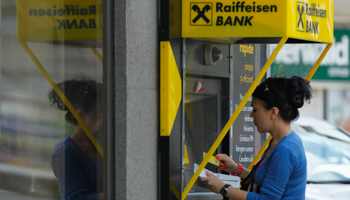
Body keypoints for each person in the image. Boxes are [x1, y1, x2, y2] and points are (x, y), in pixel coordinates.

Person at [200, 76, 312, 200]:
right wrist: (236, 169)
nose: (251, 115)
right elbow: (267, 181)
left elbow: (267, 198)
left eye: (255, 110)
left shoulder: (285, 149)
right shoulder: (281, 141)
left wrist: (223, 188)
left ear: (274, 113)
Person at [49, 79, 104, 200]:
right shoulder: (65, 152)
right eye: (100, 113)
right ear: (81, 116)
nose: (105, 119)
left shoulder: (104, 143)